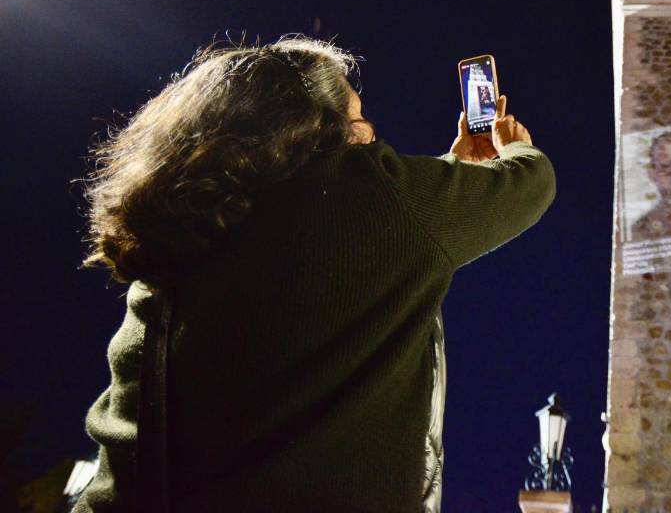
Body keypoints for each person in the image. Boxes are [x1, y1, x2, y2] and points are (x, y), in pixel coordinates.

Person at [72, 36, 555, 513]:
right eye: (359, 121)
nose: (369, 136)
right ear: (316, 128)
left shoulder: (189, 225)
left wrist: (453, 169)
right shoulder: (374, 196)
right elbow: (528, 186)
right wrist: (514, 150)